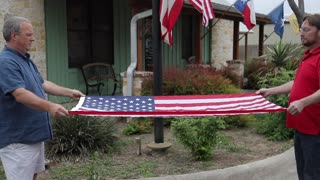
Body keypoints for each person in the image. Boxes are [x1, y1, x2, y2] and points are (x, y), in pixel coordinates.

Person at [0, 16, 85, 180]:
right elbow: (20, 94)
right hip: (18, 139)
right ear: (14, 36)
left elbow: (43, 83)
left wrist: (69, 92)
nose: (33, 38)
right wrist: (50, 106)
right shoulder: (5, 62)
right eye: (28, 34)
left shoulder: (24, 59)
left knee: (32, 176)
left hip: (33, 136)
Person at [256, 14, 320, 180]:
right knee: (304, 173)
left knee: (312, 175)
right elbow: (297, 82)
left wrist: (303, 103)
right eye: (301, 29)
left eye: (306, 30)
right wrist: (271, 90)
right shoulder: (309, 56)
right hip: (302, 128)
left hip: (315, 131)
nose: (301, 33)